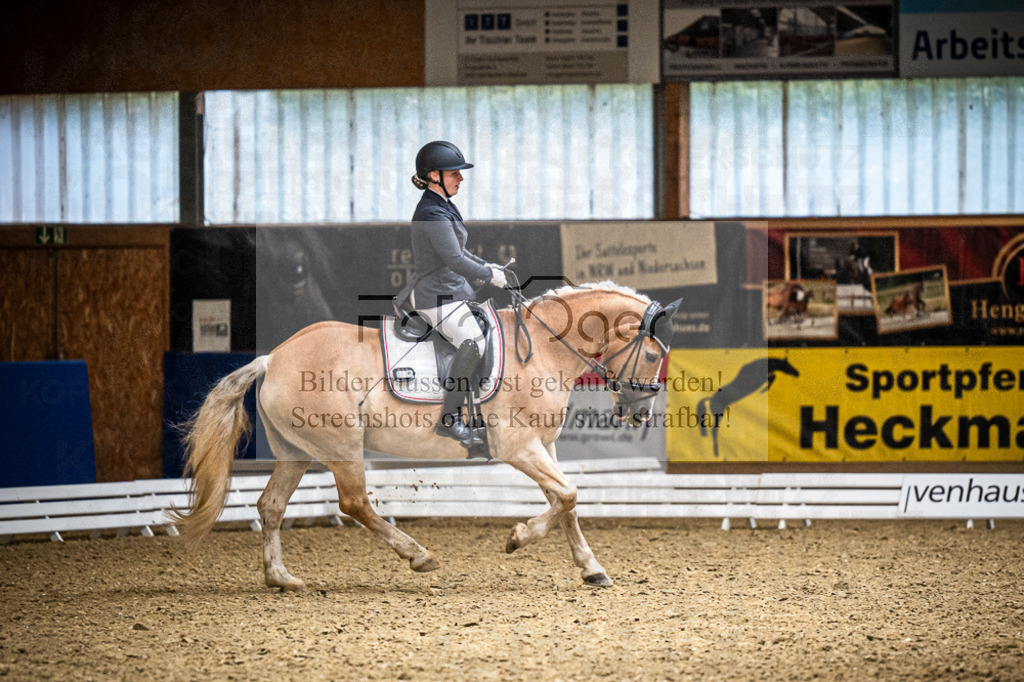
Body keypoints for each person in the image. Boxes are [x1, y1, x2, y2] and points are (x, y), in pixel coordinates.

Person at [405, 140, 507, 447]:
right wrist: (489, 275)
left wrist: (487, 265)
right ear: (434, 175)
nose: (460, 179)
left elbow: (460, 251)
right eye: (454, 173)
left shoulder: (443, 205)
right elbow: (454, 260)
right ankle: (449, 420)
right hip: (434, 295)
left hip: (451, 291)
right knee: (473, 341)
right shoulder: (431, 213)